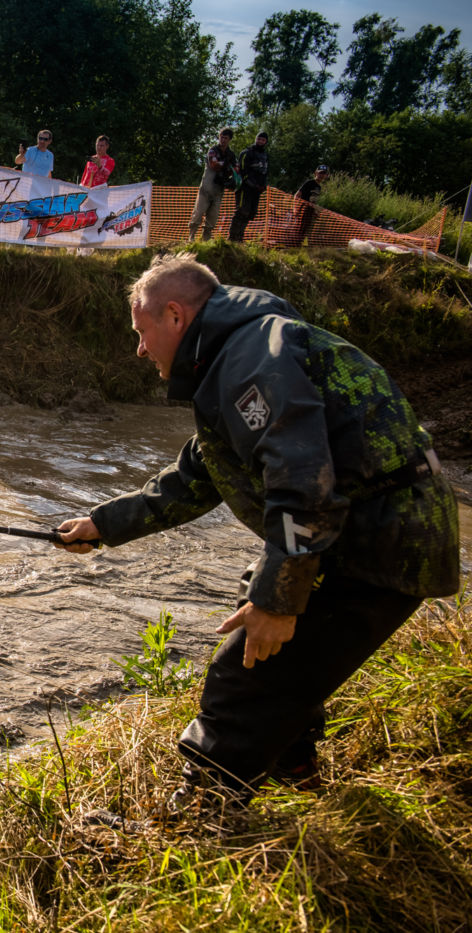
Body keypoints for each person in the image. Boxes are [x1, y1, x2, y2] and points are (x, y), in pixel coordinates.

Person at [54, 254, 460, 814]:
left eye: (141, 332)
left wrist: (278, 600)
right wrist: (102, 524)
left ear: (175, 315)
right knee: (268, 642)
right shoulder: (236, 356)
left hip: (383, 541)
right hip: (359, 532)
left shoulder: (251, 359)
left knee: (244, 675)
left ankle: (201, 815)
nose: (141, 350)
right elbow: (194, 478)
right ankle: (295, 776)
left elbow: (302, 479)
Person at [187, 128, 237, 241]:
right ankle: (191, 237)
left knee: (212, 217)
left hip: (219, 190)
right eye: (221, 137)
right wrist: (227, 165)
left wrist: (233, 177)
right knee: (198, 213)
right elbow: (214, 164)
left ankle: (206, 240)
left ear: (229, 139)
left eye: (226, 138)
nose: (223, 140)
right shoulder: (213, 150)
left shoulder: (231, 154)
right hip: (206, 188)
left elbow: (236, 168)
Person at [228, 131, 269, 242]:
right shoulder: (246, 152)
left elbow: (265, 172)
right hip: (244, 188)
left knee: (251, 213)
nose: (260, 141)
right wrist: (252, 184)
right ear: (256, 139)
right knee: (241, 211)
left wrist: (263, 185)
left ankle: (239, 238)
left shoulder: (265, 155)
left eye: (263, 140)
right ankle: (232, 239)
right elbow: (242, 171)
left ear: (266, 142)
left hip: (257, 190)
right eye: (259, 139)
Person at [293, 164, 330, 245]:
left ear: (326, 176)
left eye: (324, 173)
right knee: (299, 229)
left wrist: (315, 211)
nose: (321, 175)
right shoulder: (309, 183)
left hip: (311, 211)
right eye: (320, 173)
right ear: (316, 173)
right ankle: (293, 245)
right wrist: (295, 208)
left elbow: (314, 201)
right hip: (303, 209)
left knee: (306, 230)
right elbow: (296, 195)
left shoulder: (319, 187)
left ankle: (300, 246)